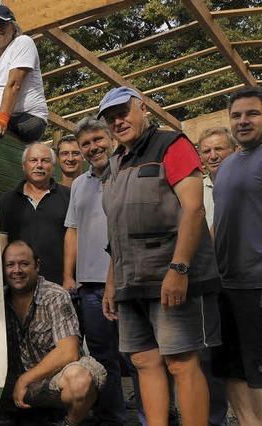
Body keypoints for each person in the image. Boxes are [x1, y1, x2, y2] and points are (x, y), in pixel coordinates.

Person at [99, 87, 221, 426]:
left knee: (181, 362)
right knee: (143, 362)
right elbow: (116, 231)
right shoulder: (114, 164)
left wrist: (179, 269)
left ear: (142, 108)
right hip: (130, 282)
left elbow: (194, 209)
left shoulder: (171, 144)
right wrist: (112, 283)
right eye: (110, 118)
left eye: (123, 112)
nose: (117, 121)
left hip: (172, 276)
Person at [0, 240, 106, 425]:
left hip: (51, 382)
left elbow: (68, 351)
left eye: (24, 264)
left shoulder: (55, 295)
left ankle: (69, 422)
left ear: (37, 266)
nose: (17, 270)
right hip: (11, 386)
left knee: (80, 381)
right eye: (10, 265)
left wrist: (25, 379)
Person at [63, 117, 126, 425]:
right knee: (103, 358)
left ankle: (156, 414)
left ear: (111, 138)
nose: (92, 147)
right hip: (90, 285)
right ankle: (112, 417)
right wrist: (68, 275)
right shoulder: (79, 184)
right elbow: (72, 231)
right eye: (85, 143)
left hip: (128, 279)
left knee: (143, 354)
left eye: (98, 140)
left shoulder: (127, 170)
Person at [212, 86, 262, 426]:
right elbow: (221, 222)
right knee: (231, 367)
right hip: (225, 283)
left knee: (258, 368)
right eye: (236, 115)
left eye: (252, 114)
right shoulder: (227, 164)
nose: (243, 121)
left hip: (258, 282)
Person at [0, 5, 48, 142]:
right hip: (0, 120)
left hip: (30, 119)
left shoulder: (23, 42)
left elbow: (14, 84)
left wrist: (2, 119)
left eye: (2, 23)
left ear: (13, 28)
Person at [0, 142, 70, 285]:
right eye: (33, 160)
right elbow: (2, 240)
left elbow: (73, 240)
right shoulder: (8, 200)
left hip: (58, 284)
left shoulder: (68, 197)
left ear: (53, 166)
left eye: (45, 161)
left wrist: (69, 277)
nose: (39, 165)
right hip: (19, 283)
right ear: (24, 166)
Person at [197, 127, 237, 227]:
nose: (213, 156)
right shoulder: (196, 191)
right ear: (200, 157)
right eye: (207, 151)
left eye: (219, 149)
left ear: (235, 150)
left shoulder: (252, 183)